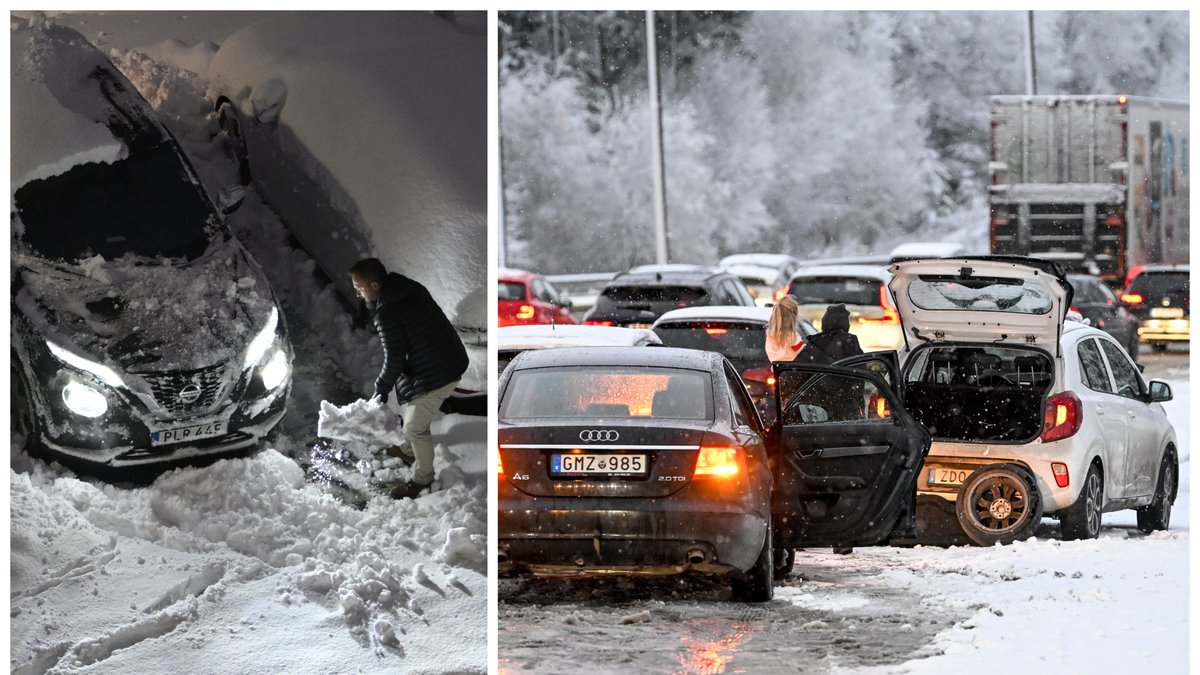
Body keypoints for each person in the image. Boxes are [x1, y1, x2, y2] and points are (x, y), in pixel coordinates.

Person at [349, 258, 469, 499]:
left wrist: (381, 388)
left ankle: (423, 480)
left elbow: (394, 358)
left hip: (440, 371)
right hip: (448, 356)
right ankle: (408, 450)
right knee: (410, 401)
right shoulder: (408, 288)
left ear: (374, 286)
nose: (358, 294)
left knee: (415, 427)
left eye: (359, 288)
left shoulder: (387, 314)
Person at [765, 295, 805, 361]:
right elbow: (802, 351)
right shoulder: (792, 337)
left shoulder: (770, 335)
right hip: (792, 369)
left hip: (777, 369)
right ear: (793, 318)